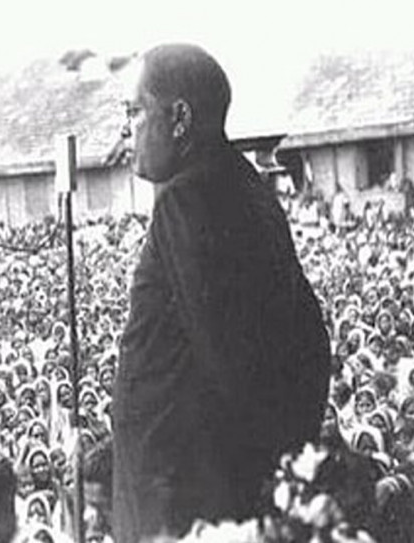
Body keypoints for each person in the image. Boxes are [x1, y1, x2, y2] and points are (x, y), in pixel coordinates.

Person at [112, 43, 330, 541]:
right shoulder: (245, 187)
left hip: (185, 504)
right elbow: (308, 342)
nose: (127, 129)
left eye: (134, 111)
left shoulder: (187, 202)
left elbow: (233, 367)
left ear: (180, 118)